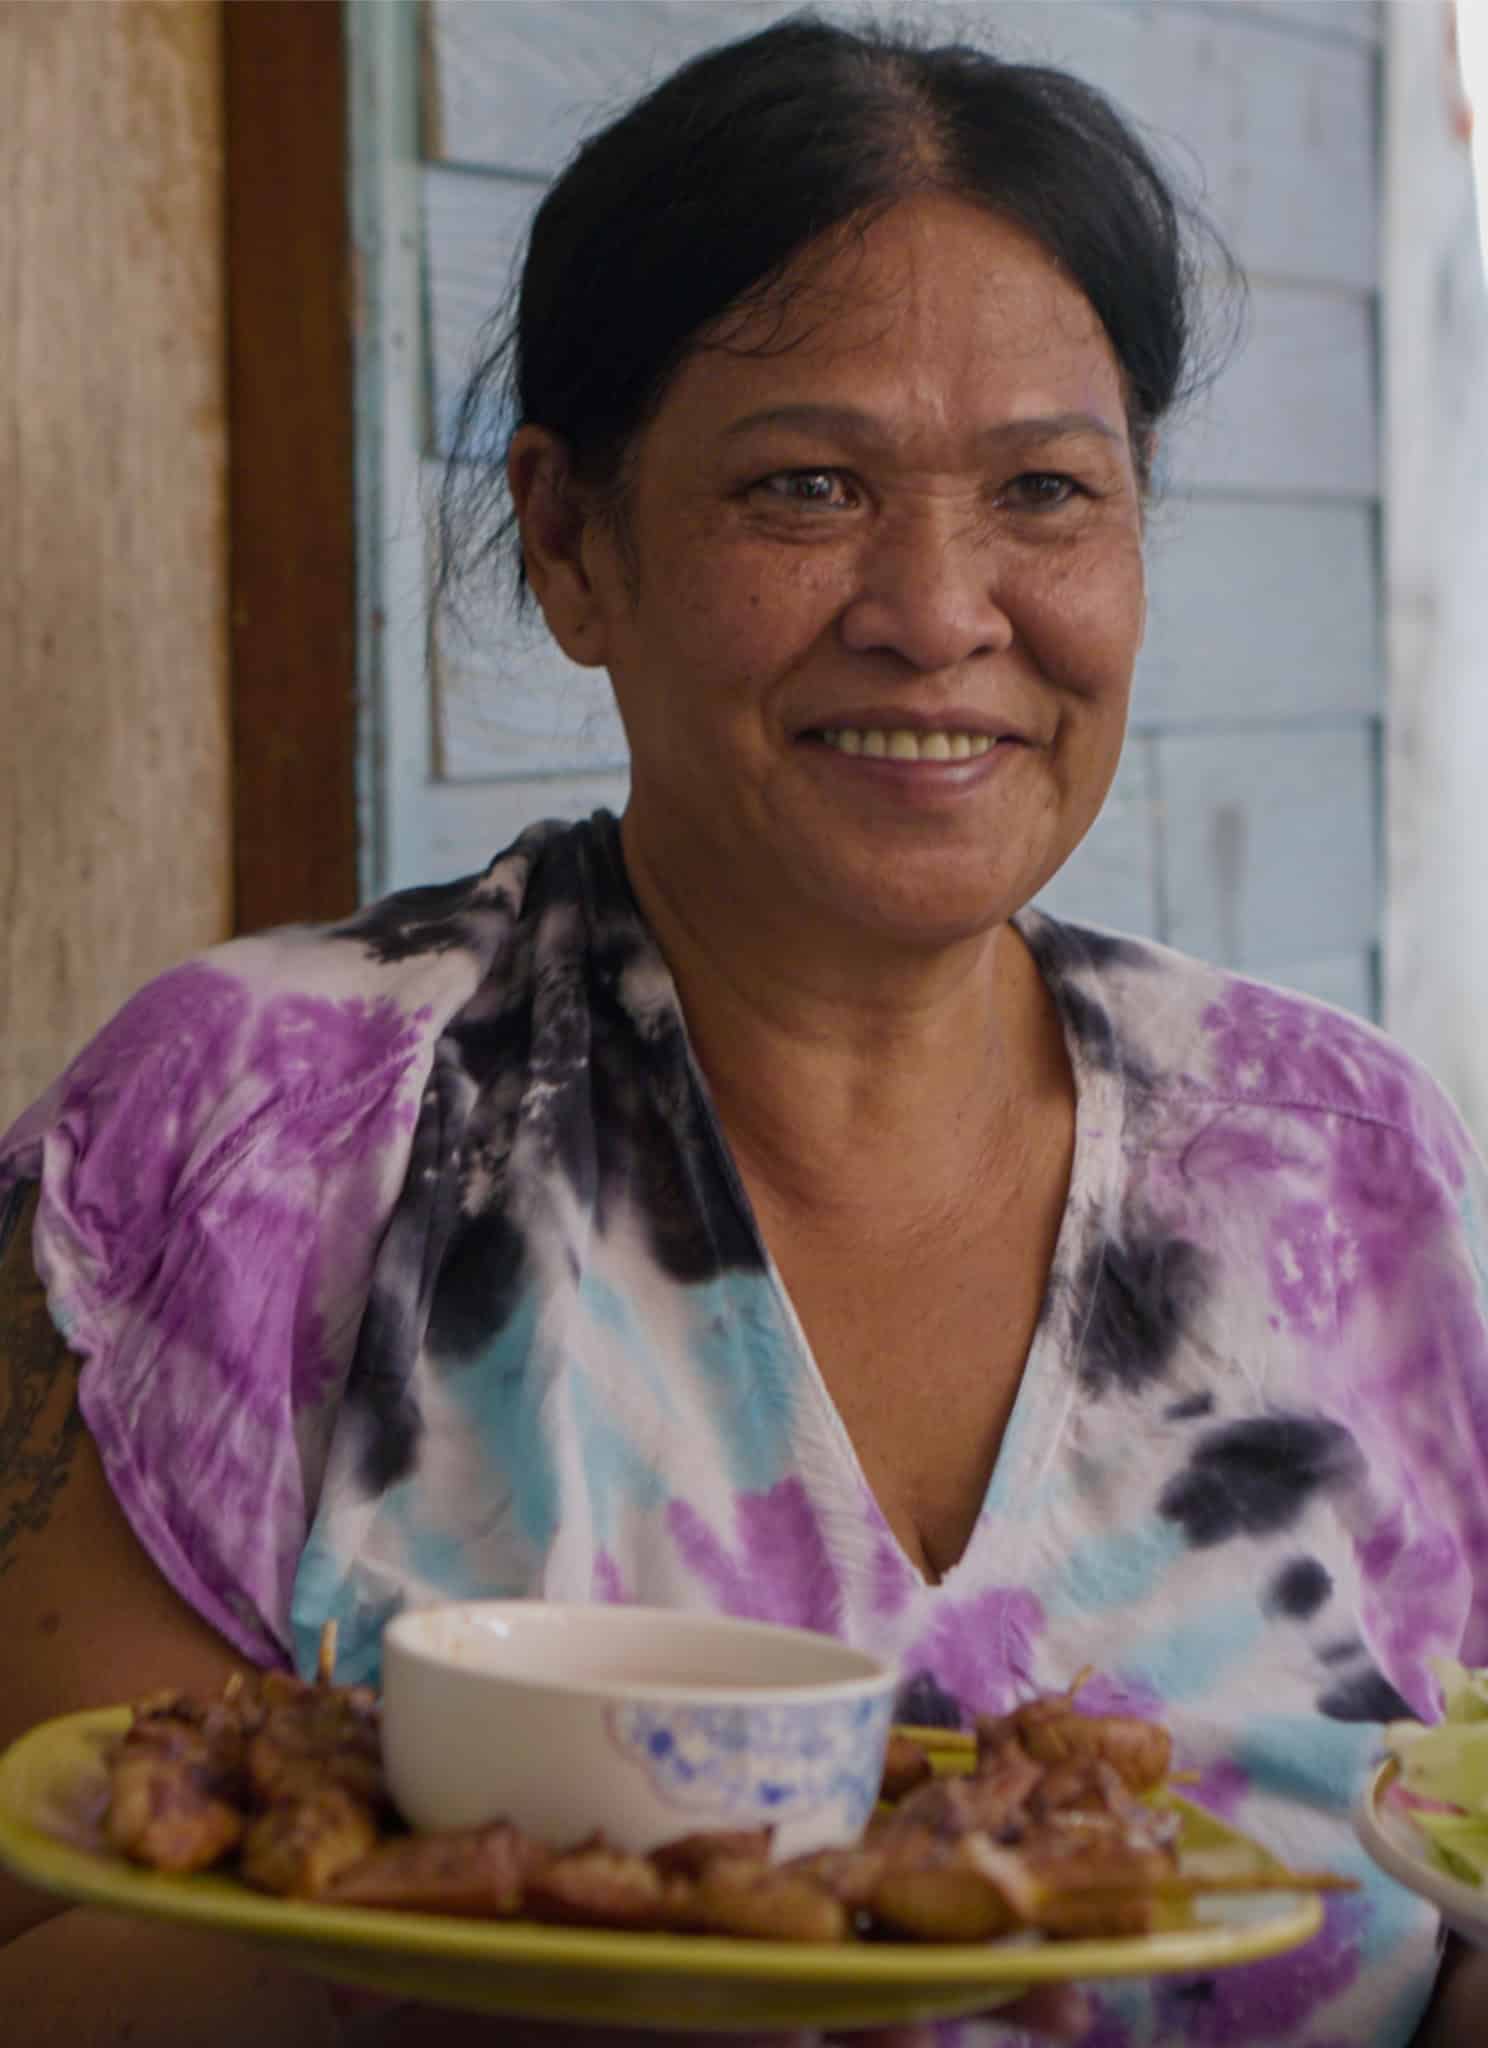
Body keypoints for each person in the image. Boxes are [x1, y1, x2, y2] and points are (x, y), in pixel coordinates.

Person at [2, 12, 1486, 2045]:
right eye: (807, 485)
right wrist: (556, 1941)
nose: (940, 610)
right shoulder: (256, 1142)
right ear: (570, 541)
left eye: (1046, 490)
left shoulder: (1346, 1168)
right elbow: (44, 1952)